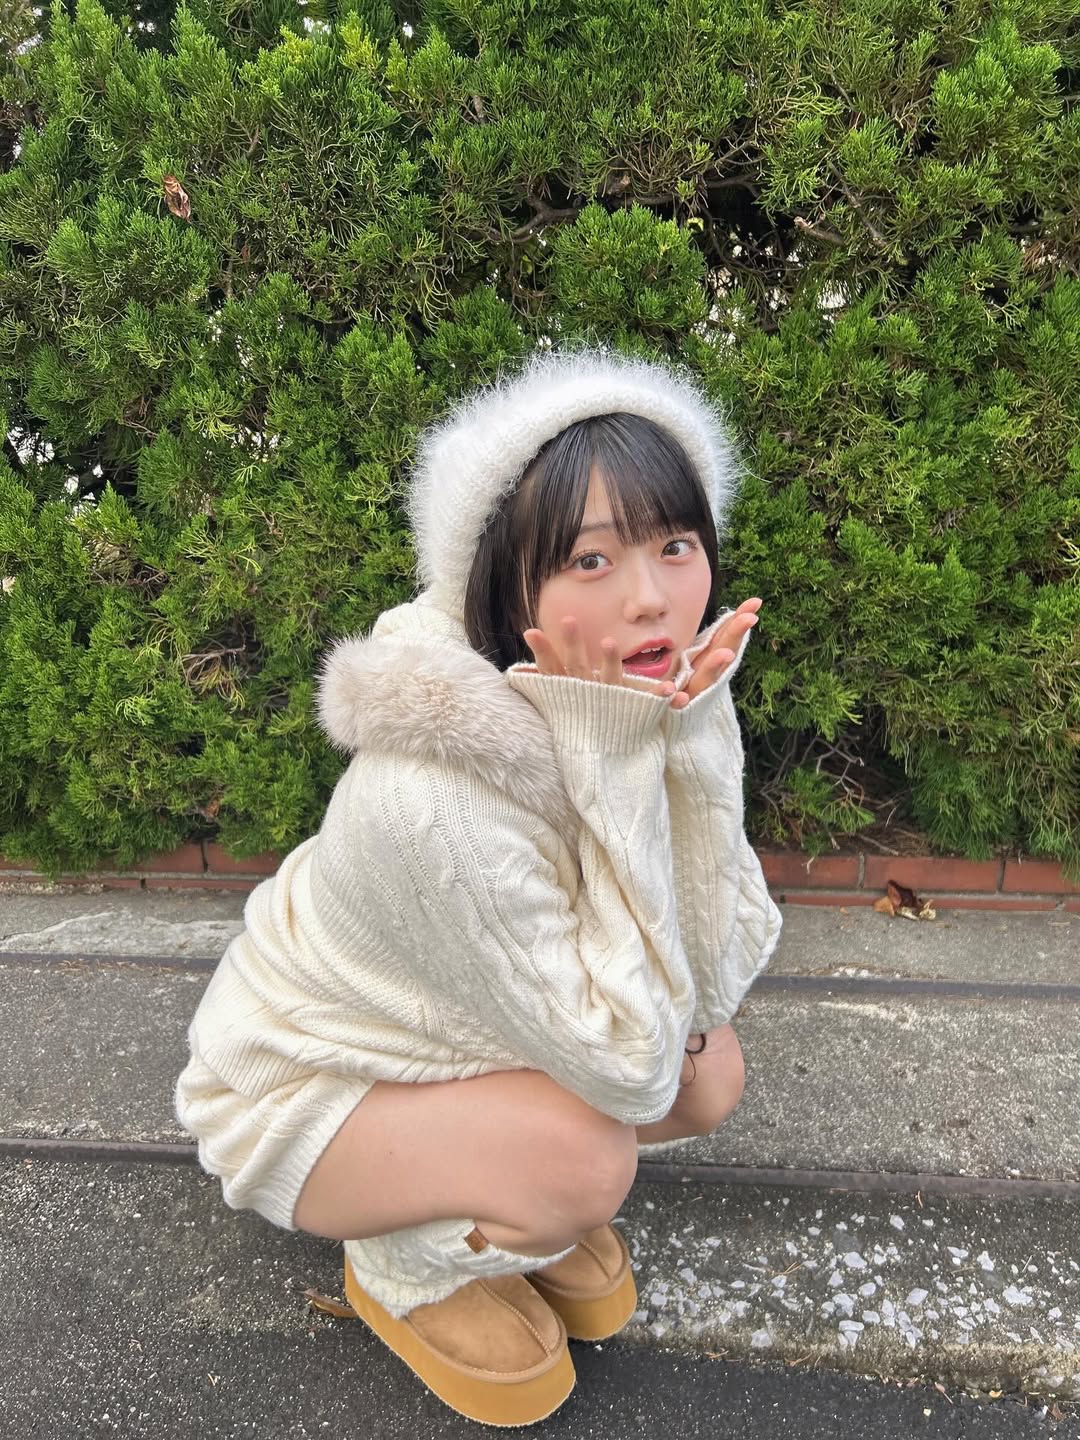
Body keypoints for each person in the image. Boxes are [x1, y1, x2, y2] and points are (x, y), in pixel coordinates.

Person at [174, 343, 783, 1426]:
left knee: (713, 1071)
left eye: (675, 545)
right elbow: (631, 1068)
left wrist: (688, 739)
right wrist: (619, 760)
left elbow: (708, 986)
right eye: (590, 560)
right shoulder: (436, 797)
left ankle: (491, 1194)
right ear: (505, 578)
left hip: (465, 1035)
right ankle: (403, 1265)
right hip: (300, 1087)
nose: (651, 599)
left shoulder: (618, 698)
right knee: (587, 1159)